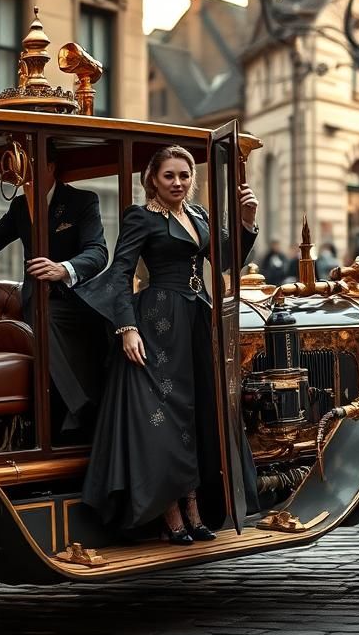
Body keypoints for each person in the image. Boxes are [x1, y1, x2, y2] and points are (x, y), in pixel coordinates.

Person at [77, 145, 261, 544]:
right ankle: (171, 511)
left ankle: (196, 508)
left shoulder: (198, 215)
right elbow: (120, 273)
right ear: (153, 179)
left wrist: (247, 221)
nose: (178, 182)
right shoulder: (140, 217)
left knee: (196, 416)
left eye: (184, 175)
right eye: (169, 176)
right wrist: (126, 327)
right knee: (163, 420)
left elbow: (227, 261)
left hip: (197, 321)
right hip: (157, 323)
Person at [0, 140, 107, 436]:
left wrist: (62, 269)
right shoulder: (19, 206)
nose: (19, 171)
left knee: (91, 326)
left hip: (80, 301)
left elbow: (98, 252)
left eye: (28, 164)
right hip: (40, 304)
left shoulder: (82, 201)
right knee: (44, 316)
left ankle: (93, 411)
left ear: (50, 167)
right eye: (18, 165)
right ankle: (82, 410)